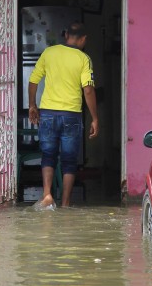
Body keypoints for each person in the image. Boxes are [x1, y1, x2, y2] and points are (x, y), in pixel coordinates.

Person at [27, 22, 99, 208]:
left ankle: (47, 195)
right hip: (71, 115)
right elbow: (88, 90)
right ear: (83, 39)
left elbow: (33, 80)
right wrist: (95, 118)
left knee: (48, 155)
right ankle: (66, 203)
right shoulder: (84, 58)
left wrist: (32, 105)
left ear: (66, 35)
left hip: (48, 113)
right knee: (69, 160)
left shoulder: (49, 53)